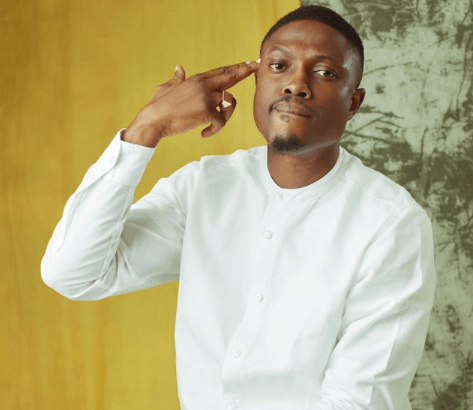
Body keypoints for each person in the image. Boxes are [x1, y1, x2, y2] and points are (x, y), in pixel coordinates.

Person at [41, 5, 436, 410]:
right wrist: (147, 128)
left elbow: (358, 402)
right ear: (257, 81)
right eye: (278, 66)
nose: (295, 85)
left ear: (353, 103)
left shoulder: (390, 224)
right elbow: (74, 273)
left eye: (324, 72)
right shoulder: (203, 187)